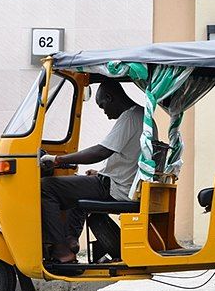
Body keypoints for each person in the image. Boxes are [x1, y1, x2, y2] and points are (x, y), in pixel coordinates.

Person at [40, 80, 147, 264]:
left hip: (116, 189)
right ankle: (71, 239)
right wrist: (100, 173)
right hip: (121, 185)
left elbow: (100, 151)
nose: (105, 113)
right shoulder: (140, 115)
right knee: (76, 185)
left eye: (103, 106)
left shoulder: (130, 117)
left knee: (46, 187)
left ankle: (62, 250)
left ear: (109, 98)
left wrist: (58, 159)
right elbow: (129, 161)